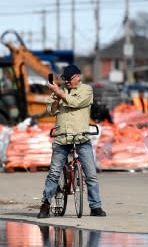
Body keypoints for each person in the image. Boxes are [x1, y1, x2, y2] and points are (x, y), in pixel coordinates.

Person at [37, 64, 106, 218]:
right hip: (62, 137)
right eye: (65, 79)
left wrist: (59, 93)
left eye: (69, 78)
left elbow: (76, 103)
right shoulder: (59, 91)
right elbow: (51, 111)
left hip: (81, 137)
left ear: (78, 77)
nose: (67, 81)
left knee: (91, 174)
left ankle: (95, 206)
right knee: (54, 173)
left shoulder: (86, 90)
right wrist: (55, 98)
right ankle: (45, 204)